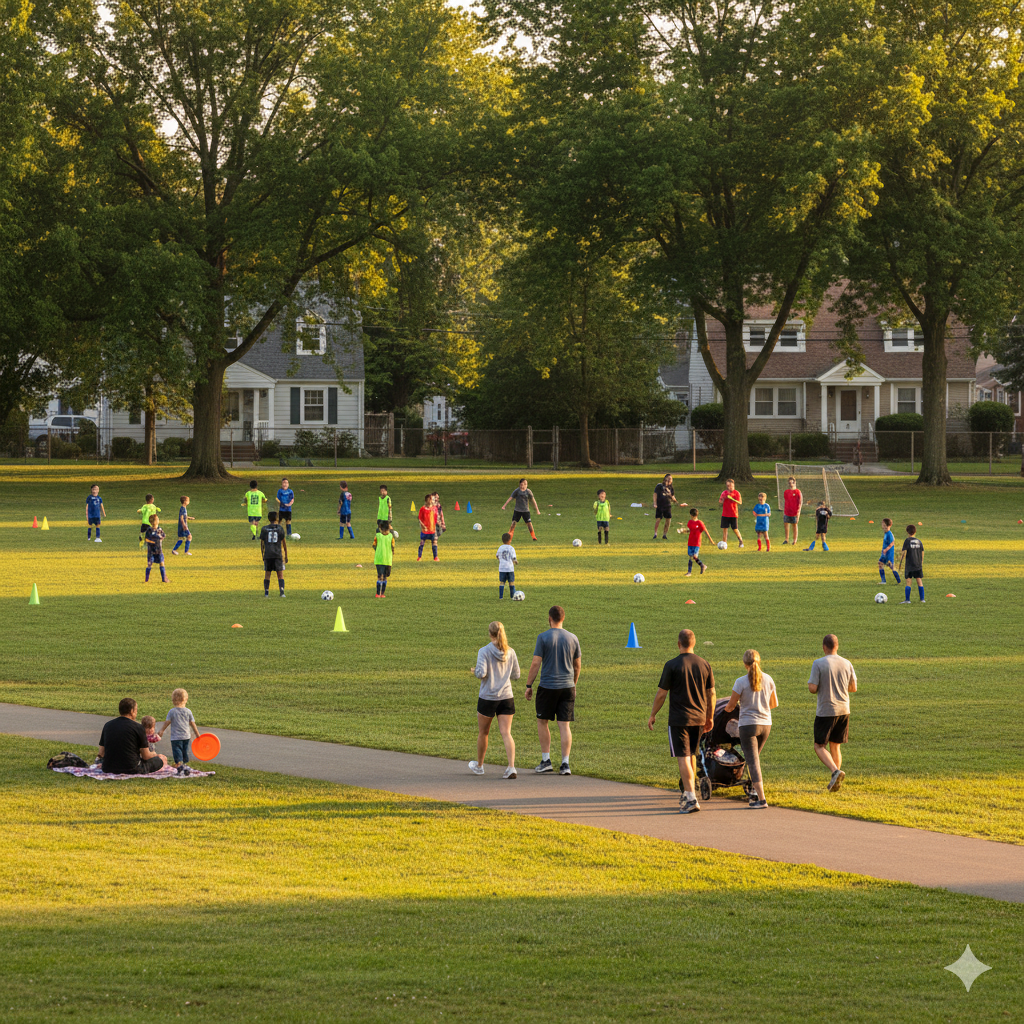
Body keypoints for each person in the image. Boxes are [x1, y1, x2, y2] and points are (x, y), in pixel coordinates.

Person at [646, 629, 715, 814]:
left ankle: (691, 798)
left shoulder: (672, 665)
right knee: (692, 754)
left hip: (679, 718)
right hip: (699, 718)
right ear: (694, 643)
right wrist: (710, 716)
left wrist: (653, 714)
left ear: (678, 643)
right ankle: (688, 791)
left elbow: (662, 693)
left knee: (683, 757)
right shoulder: (704, 664)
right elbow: (712, 693)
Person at [526, 605, 581, 774]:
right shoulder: (573, 638)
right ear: (563, 618)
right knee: (564, 725)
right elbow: (577, 665)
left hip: (548, 686)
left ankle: (546, 760)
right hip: (567, 687)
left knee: (542, 722)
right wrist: (574, 683)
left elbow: (536, 663)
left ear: (549, 618)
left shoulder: (543, 637)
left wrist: (529, 685)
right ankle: (565, 764)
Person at [724, 650, 778, 809]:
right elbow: (773, 704)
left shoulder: (740, 682)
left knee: (753, 762)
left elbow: (731, 705)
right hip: (766, 725)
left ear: (744, 664)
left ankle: (761, 799)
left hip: (748, 725)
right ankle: (754, 791)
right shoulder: (768, 679)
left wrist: (724, 712)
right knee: (754, 759)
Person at [469, 621, 521, 779]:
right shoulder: (510, 652)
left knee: (483, 732)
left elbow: (482, 673)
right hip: (506, 696)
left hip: (488, 696)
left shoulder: (484, 651)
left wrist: (474, 671)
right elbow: (516, 675)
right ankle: (511, 767)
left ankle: (479, 766)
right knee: (506, 732)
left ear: (490, 633)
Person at [807, 633, 857, 792]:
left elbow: (812, 688)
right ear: (837, 646)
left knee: (819, 746)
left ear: (824, 647)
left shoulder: (818, 663)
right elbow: (853, 688)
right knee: (835, 746)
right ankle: (836, 780)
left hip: (826, 710)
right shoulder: (847, 663)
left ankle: (835, 771)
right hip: (844, 710)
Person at [98, 697, 167, 774]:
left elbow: (101, 753)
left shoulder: (107, 725)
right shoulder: (138, 727)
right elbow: (146, 756)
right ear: (132, 711)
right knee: (161, 759)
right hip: (132, 769)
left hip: (108, 768)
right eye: (136, 710)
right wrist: (154, 754)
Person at [157, 687, 201, 775]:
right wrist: (197, 734)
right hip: (186, 736)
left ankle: (178, 765)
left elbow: (167, 722)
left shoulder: (172, 712)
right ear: (186, 699)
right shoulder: (188, 711)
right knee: (185, 750)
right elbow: (192, 724)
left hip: (175, 737)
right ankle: (185, 764)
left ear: (173, 700)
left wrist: (161, 730)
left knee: (177, 750)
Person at [260, 510, 288, 597]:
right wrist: (286, 555)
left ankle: (266, 593)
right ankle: (282, 592)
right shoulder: (280, 529)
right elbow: (284, 543)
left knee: (267, 573)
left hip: (268, 554)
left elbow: (262, 543)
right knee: (280, 573)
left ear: (268, 519)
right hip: (277, 554)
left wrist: (263, 555)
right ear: (277, 518)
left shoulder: (264, 529)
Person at [652, 473, 685, 540]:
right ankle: (655, 533)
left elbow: (672, 497)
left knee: (668, 520)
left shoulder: (671, 488)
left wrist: (678, 503)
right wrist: (655, 503)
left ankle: (664, 534)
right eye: (669, 478)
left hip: (667, 506)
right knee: (658, 519)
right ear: (665, 479)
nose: (670, 480)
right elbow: (655, 494)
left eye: (671, 479)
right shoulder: (659, 486)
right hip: (660, 505)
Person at [898, 524, 925, 604]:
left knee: (908, 582)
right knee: (919, 581)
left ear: (907, 532)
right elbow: (922, 552)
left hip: (909, 565)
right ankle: (922, 599)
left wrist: (901, 561)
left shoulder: (907, 541)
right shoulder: (919, 541)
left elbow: (904, 552)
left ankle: (907, 600)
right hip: (918, 564)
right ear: (915, 531)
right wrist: (921, 562)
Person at [684, 507, 713, 576]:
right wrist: (684, 531)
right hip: (690, 542)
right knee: (691, 557)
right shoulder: (690, 522)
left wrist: (711, 540)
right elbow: (690, 530)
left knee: (694, 556)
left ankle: (702, 566)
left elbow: (705, 531)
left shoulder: (699, 523)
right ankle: (689, 572)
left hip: (697, 542)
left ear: (691, 515)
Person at [372, 521, 395, 597]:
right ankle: (378, 593)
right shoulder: (378, 536)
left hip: (387, 560)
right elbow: (393, 547)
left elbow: (374, 545)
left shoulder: (390, 536)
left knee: (385, 576)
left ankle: (382, 593)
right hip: (380, 560)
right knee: (380, 576)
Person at [719, 479, 744, 547]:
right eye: (727, 485)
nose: (729, 487)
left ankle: (740, 541)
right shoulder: (724, 493)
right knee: (725, 529)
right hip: (725, 514)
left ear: (733, 485)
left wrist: (732, 499)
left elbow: (740, 502)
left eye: (730, 485)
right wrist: (724, 498)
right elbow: (720, 501)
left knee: (735, 529)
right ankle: (724, 544)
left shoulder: (736, 493)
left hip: (733, 514)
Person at [144, 514, 167, 583]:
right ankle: (146, 580)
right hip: (151, 552)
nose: (158, 520)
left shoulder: (159, 529)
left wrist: (159, 538)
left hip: (159, 551)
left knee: (162, 563)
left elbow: (163, 536)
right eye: (156, 519)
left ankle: (164, 579)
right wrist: (152, 541)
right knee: (149, 564)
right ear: (152, 522)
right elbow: (146, 539)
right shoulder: (149, 530)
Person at [878, 518, 901, 584]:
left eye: (884, 524)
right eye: (882, 524)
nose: (882, 525)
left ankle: (898, 580)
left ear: (888, 525)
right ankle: (883, 581)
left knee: (891, 567)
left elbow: (892, 543)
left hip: (888, 554)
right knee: (880, 563)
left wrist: (886, 549)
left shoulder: (889, 534)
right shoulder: (886, 533)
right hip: (885, 553)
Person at [417, 493, 439, 562]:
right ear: (427, 500)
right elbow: (420, 519)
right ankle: (419, 557)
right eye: (431, 499)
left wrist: (438, 524)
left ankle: (435, 557)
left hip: (433, 530)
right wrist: (423, 526)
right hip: (425, 531)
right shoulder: (422, 509)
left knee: (434, 542)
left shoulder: (435, 508)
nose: (433, 500)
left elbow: (435, 518)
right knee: (422, 542)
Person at [782, 476, 803, 545]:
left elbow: (800, 503)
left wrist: (798, 513)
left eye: (792, 482)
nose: (791, 484)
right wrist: (784, 512)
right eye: (789, 483)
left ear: (795, 483)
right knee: (786, 525)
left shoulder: (798, 492)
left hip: (794, 512)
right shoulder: (786, 492)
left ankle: (794, 540)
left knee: (794, 526)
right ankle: (786, 539)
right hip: (787, 512)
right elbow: (786, 502)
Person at [496, 532, 517, 599]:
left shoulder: (500, 548)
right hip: (510, 568)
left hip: (502, 568)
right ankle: (512, 596)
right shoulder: (511, 548)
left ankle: (501, 597)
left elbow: (497, 556)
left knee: (502, 582)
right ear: (510, 540)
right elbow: (513, 557)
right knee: (511, 583)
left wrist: (500, 560)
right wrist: (515, 561)